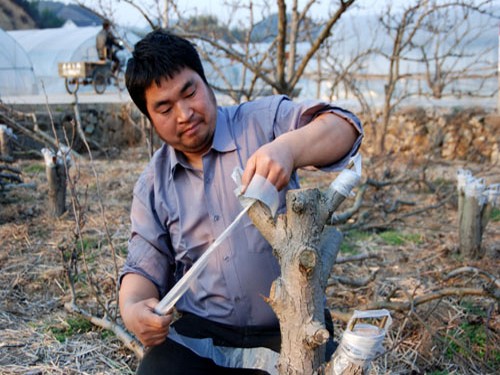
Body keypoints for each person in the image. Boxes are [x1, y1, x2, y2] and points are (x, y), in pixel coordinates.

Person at [120, 29, 363, 375]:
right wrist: (132, 309)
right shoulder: (153, 185)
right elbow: (143, 267)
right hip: (204, 339)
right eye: (164, 108)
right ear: (150, 119)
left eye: (190, 92)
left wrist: (288, 148)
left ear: (206, 83)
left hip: (290, 328)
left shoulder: (262, 123)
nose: (185, 113)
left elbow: (345, 127)